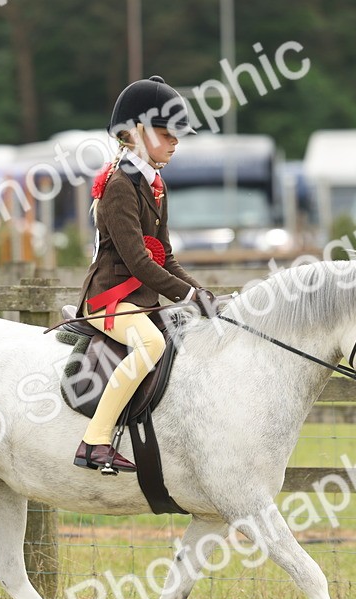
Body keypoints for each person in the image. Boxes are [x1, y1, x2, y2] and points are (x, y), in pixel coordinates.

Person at [72, 75, 217, 474]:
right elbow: (139, 262)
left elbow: (164, 257)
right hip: (109, 299)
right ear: (138, 131)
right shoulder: (120, 185)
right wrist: (189, 298)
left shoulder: (155, 185)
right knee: (150, 345)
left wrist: (203, 293)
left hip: (140, 302)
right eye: (167, 134)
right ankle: (94, 441)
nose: (175, 142)